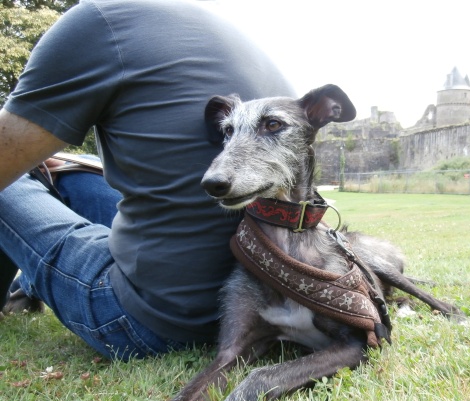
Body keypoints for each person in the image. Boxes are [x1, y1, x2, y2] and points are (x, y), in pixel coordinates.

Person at [0, 0, 294, 360]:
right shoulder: (231, 33)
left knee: (12, 181)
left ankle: (20, 287)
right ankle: (29, 284)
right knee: (79, 165)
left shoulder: (96, 22)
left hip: (151, 320)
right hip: (263, 303)